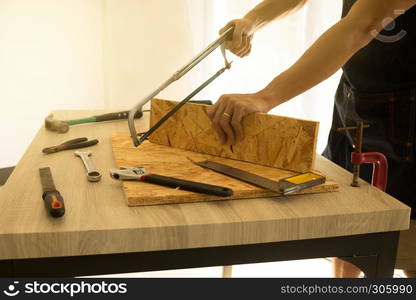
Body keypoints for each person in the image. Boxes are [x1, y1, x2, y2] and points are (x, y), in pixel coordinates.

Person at [207, 0, 416, 277]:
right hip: (358, 98)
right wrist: (253, 19)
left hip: (408, 113)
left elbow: (361, 25)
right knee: (348, 228)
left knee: (408, 243)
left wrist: (265, 97)